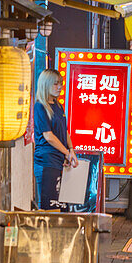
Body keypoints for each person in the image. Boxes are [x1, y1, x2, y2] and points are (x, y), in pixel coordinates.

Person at [33, 69, 79, 209]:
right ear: (45, 84)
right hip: (46, 161)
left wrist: (71, 150)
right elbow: (49, 136)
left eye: (61, 83)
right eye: (55, 84)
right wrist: (66, 152)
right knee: (49, 205)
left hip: (59, 160)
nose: (60, 87)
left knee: (62, 204)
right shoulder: (40, 106)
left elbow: (64, 131)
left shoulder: (58, 106)